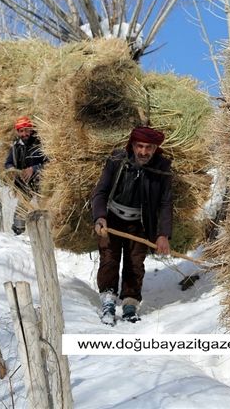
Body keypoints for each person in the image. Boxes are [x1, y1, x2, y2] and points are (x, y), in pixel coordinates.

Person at [91, 126, 172, 325]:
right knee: (109, 259)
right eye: (140, 146)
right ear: (132, 145)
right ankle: (108, 301)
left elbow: (165, 203)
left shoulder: (161, 168)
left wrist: (163, 234)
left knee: (135, 264)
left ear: (155, 148)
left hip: (141, 223)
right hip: (112, 220)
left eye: (149, 147)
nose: (143, 152)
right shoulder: (118, 160)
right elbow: (100, 192)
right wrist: (100, 217)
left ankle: (130, 304)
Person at [4, 116, 47, 235]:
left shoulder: (41, 143)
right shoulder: (16, 147)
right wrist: (12, 170)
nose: (24, 133)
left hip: (41, 181)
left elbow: (50, 162)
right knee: (22, 206)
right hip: (24, 183)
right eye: (21, 131)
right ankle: (18, 232)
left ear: (31, 129)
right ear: (18, 132)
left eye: (27, 130)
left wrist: (34, 169)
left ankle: (47, 232)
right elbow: (8, 163)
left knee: (44, 207)